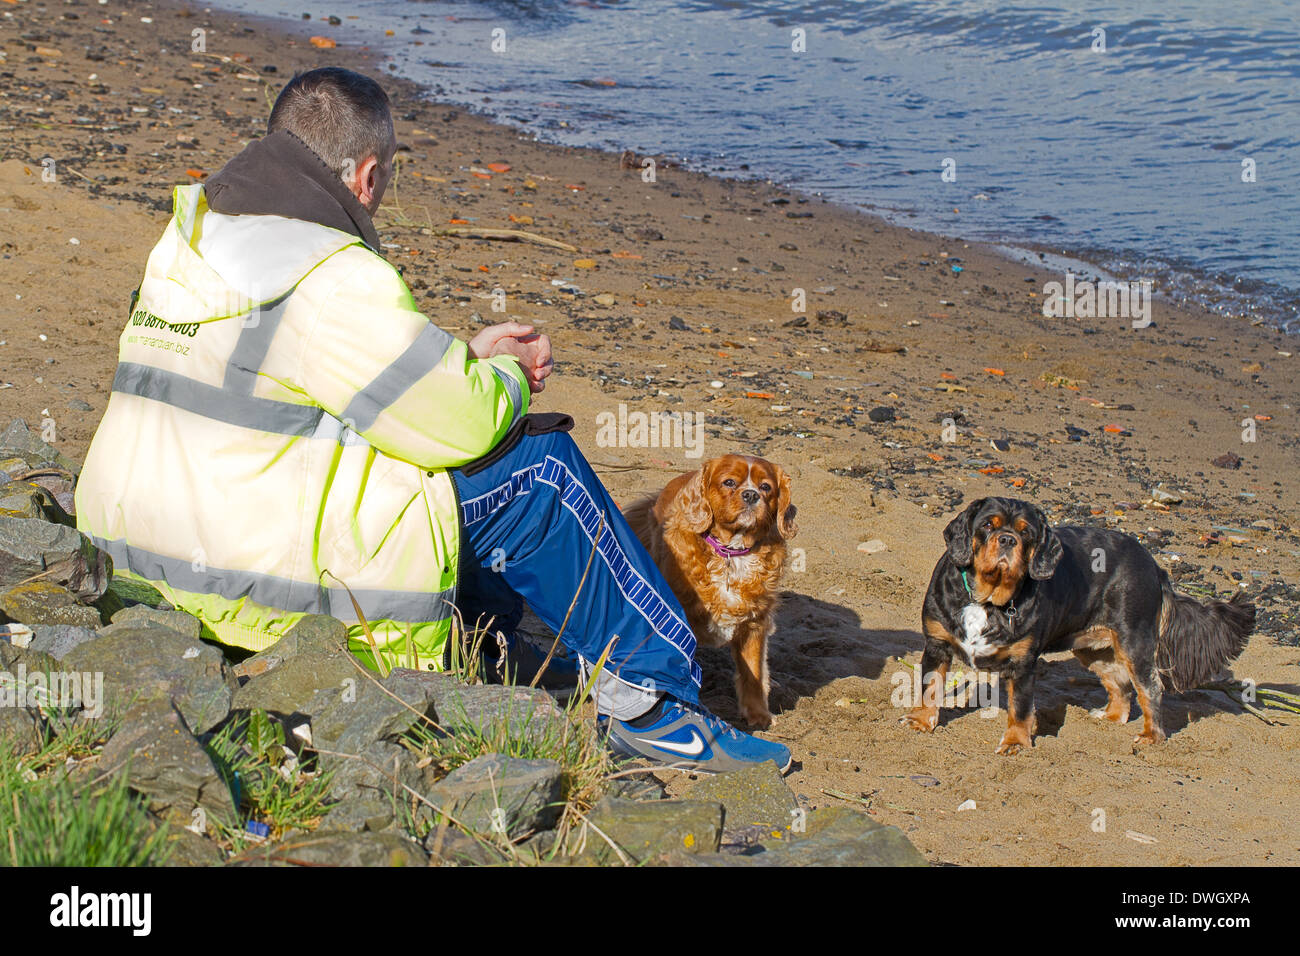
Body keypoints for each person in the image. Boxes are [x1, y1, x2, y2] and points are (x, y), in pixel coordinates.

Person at [74, 67, 788, 774]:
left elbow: (298, 385)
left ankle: (481, 647)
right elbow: (465, 424)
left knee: (437, 455)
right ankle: (654, 700)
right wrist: (504, 374)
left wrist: (461, 357)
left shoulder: (192, 233)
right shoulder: (328, 270)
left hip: (135, 552)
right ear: (366, 177)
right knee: (534, 467)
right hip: (243, 582)